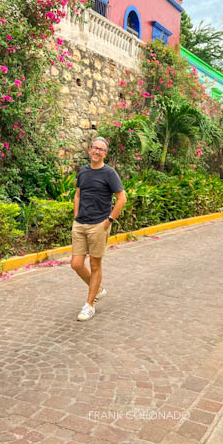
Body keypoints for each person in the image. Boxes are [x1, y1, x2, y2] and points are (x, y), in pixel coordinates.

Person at [71, 137, 127, 321]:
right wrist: (76, 215)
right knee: (76, 264)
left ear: (105, 153)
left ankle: (89, 304)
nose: (97, 152)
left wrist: (109, 221)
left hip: (98, 224)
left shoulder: (109, 173)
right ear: (89, 150)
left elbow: (122, 199)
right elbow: (78, 195)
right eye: (94, 148)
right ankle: (98, 289)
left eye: (101, 149)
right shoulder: (83, 172)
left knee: (95, 265)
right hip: (80, 224)